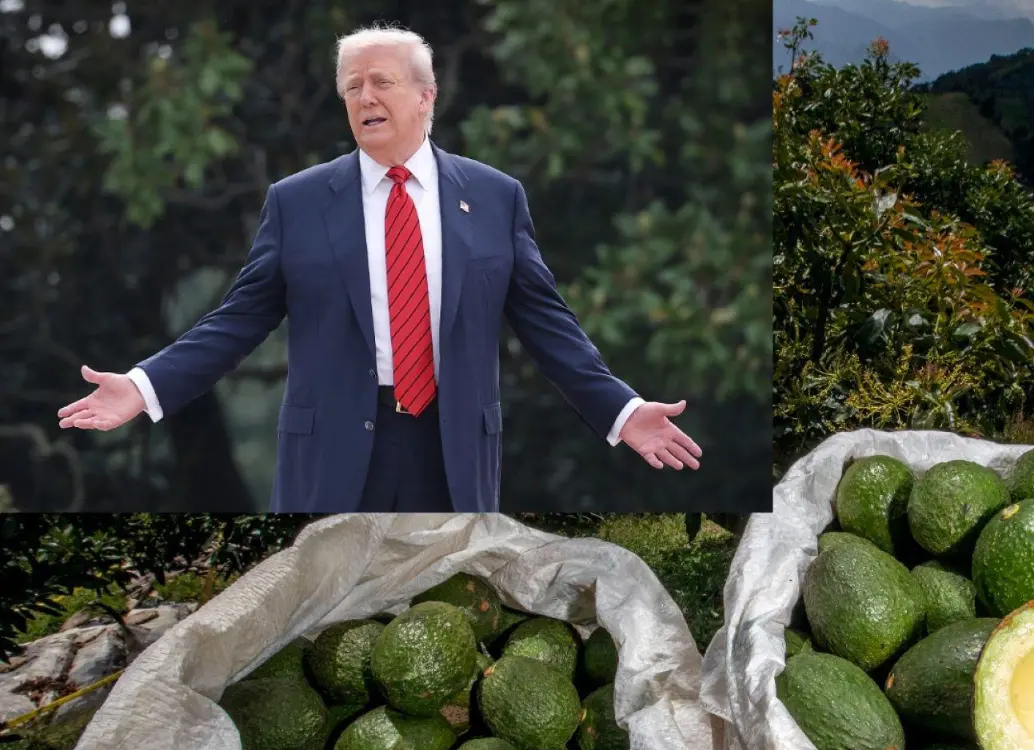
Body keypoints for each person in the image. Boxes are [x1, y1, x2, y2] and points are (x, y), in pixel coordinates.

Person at [57, 26, 702, 512]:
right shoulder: (298, 201)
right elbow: (237, 321)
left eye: (380, 83)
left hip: (453, 449)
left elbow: (548, 326)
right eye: (351, 87)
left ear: (426, 97)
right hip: (332, 448)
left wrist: (623, 410)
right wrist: (143, 388)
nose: (363, 97)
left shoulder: (496, 197)